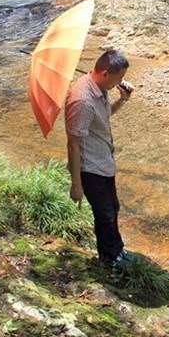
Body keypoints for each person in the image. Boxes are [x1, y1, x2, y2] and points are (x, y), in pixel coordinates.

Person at [65, 49, 135, 268]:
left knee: (113, 208)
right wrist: (76, 184)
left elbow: (102, 118)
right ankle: (109, 258)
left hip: (104, 161)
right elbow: (73, 143)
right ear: (105, 73)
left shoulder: (100, 89)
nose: (122, 81)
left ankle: (117, 249)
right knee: (104, 213)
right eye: (119, 78)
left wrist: (122, 99)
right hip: (90, 167)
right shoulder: (83, 100)